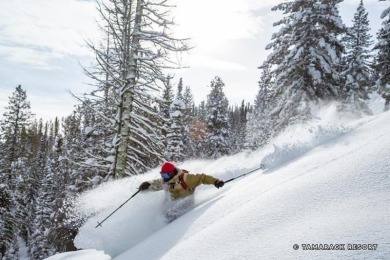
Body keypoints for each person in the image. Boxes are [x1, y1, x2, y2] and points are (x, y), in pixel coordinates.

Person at [138, 162, 225, 222]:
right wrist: (148, 185)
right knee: (163, 212)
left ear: (171, 173)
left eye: (165, 175)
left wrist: (215, 182)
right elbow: (156, 184)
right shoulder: (166, 181)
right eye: (162, 174)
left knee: (170, 215)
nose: (163, 177)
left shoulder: (187, 179)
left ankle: (166, 231)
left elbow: (202, 178)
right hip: (173, 201)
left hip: (187, 202)